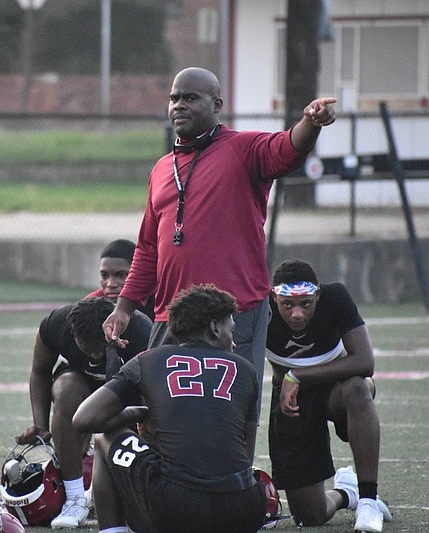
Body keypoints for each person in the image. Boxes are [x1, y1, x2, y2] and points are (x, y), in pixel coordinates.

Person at [103, 67, 337, 410]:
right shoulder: (161, 169)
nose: (179, 105)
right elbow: (149, 249)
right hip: (174, 313)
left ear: (216, 105)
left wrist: (311, 123)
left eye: (190, 98)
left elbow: (287, 148)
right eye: (174, 98)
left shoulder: (243, 148)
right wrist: (124, 308)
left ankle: (238, 468)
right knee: (162, 410)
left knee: (235, 411)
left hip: (235, 311)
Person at [74, 284, 265, 533]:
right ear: (215, 328)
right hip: (244, 508)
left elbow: (83, 419)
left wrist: (138, 412)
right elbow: (246, 455)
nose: (235, 343)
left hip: (176, 507)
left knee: (105, 438)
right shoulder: (246, 369)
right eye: (233, 330)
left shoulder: (148, 360)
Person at [265, 259, 393, 532]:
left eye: (305, 304)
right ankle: (348, 493)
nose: (297, 314)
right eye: (288, 304)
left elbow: (365, 361)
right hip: (291, 402)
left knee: (358, 388)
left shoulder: (335, 297)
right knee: (309, 517)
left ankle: (369, 500)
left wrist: (297, 375)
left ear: (318, 296)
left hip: (336, 389)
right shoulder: (259, 307)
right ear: (274, 297)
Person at [16, 296, 151, 529]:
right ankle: (75, 496)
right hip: (81, 385)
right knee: (65, 389)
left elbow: (151, 390)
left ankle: (137, 489)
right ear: (72, 334)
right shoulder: (57, 324)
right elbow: (40, 372)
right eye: (87, 348)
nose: (94, 356)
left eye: (100, 348)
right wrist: (41, 425)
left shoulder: (140, 331)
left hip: (126, 392)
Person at [85, 239, 155, 321]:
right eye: (104, 275)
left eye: (121, 275)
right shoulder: (91, 304)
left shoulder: (158, 302)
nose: (111, 284)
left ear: (137, 274)